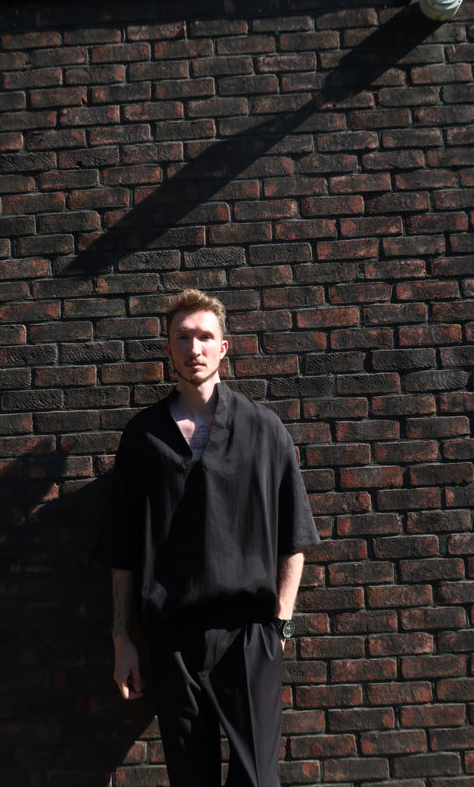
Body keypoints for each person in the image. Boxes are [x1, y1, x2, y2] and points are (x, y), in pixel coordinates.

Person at [95, 289, 320, 787]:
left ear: (224, 347)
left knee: (257, 779)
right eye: (182, 337)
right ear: (168, 348)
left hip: (248, 635)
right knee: (189, 778)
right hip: (172, 637)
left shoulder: (263, 430)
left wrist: (279, 625)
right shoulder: (143, 437)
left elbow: (295, 538)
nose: (193, 348)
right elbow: (123, 549)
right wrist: (122, 639)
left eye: (204, 337)